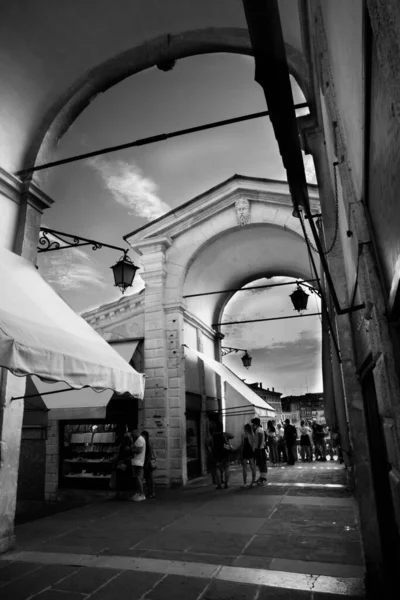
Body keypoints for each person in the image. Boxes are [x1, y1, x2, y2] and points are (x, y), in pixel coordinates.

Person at [212, 420, 233, 489]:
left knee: (217, 468)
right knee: (227, 468)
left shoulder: (213, 435)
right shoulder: (224, 434)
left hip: (217, 453)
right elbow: (232, 436)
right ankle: (226, 484)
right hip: (225, 452)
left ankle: (219, 485)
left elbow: (209, 443)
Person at [114, 429, 134, 499]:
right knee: (125, 479)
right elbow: (131, 454)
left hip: (121, 463)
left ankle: (119, 494)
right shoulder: (128, 446)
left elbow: (119, 454)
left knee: (120, 479)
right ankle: (125, 495)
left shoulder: (122, 444)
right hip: (125, 463)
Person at [130, 429, 146, 501]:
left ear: (136, 433)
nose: (132, 435)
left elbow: (139, 451)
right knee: (137, 478)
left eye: (133, 434)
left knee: (138, 478)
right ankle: (138, 493)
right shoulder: (139, 439)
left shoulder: (140, 440)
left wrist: (131, 449)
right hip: (137, 462)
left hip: (138, 462)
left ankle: (141, 494)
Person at [252, 417, 268, 485]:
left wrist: (258, 447)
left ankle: (263, 478)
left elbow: (260, 438)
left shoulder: (259, 430)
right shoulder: (259, 429)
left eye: (253, 423)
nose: (252, 424)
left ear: (255, 423)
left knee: (261, 464)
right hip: (260, 448)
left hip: (259, 449)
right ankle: (262, 477)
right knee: (260, 463)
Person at [240, 423, 256, 488]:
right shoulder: (252, 434)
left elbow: (242, 444)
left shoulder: (243, 434)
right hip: (251, 451)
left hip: (245, 451)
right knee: (252, 467)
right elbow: (254, 443)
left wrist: (240, 452)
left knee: (244, 468)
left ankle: (245, 483)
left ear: (245, 429)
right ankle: (253, 482)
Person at [141, 430, 156, 499]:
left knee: (149, 478)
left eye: (142, 435)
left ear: (145, 436)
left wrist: (146, 464)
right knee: (148, 478)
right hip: (147, 463)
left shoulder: (148, 443)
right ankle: (150, 492)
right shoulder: (146, 443)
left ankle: (152, 492)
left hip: (148, 463)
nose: (141, 437)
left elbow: (149, 454)